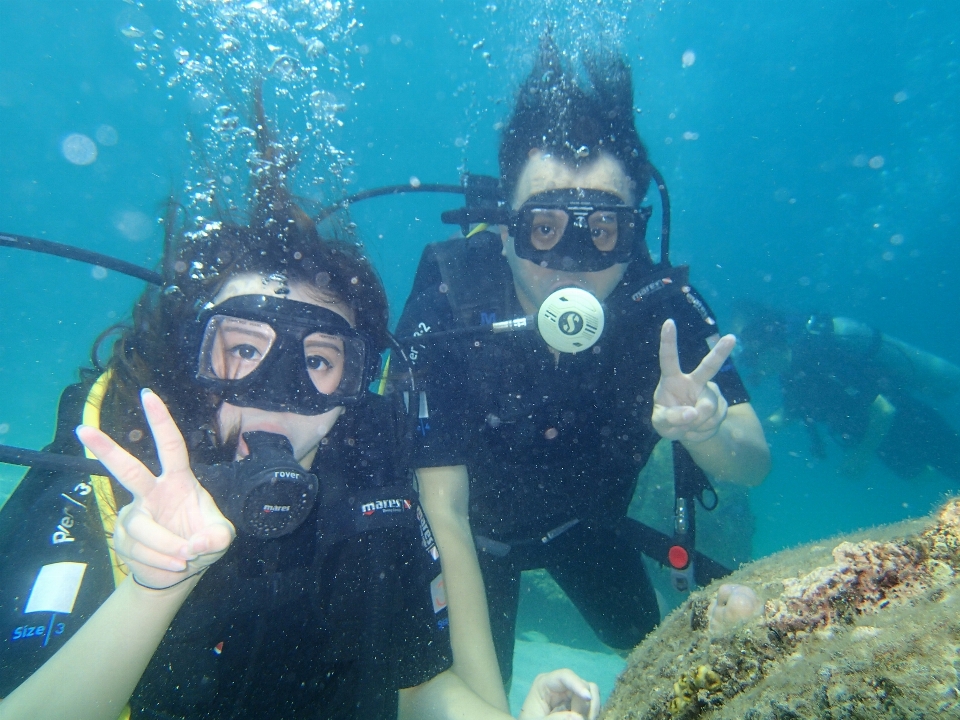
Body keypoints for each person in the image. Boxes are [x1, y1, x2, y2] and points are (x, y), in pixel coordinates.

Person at [0, 128, 601, 720]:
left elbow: (414, 688)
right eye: (243, 351)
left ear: (352, 386)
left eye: (316, 361)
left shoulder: (366, 483)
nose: (276, 397)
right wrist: (153, 586)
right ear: (196, 359)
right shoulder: (117, 474)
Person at [396, 39, 771, 685]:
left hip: (588, 526)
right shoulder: (449, 299)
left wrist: (708, 427)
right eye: (545, 227)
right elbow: (442, 508)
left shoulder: (664, 309)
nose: (570, 261)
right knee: (466, 685)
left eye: (601, 231)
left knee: (655, 662)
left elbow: (754, 463)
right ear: (506, 225)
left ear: (635, 232)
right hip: (468, 540)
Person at [734, 301, 960, 482]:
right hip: (882, 442)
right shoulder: (790, 374)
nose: (755, 370)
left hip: (913, 426)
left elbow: (884, 409)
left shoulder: (819, 357)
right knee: (926, 480)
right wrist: (748, 433)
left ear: (769, 347)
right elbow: (793, 409)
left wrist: (861, 457)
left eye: (753, 360)